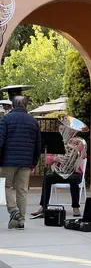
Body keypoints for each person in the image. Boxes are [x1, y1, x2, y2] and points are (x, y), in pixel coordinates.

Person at [0, 95, 41, 230]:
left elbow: (0, 141)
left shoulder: (5, 119)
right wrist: (34, 162)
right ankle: (21, 221)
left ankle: (13, 210)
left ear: (12, 105)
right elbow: (37, 145)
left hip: (8, 161)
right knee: (22, 190)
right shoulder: (33, 122)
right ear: (26, 106)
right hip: (26, 162)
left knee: (5, 187)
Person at [31, 125, 86, 218]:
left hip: (74, 172)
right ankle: (43, 207)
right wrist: (56, 158)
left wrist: (75, 149)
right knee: (47, 178)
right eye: (64, 129)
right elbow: (47, 160)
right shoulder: (57, 143)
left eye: (71, 130)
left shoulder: (78, 143)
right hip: (60, 172)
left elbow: (83, 156)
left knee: (74, 180)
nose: (69, 132)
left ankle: (75, 207)